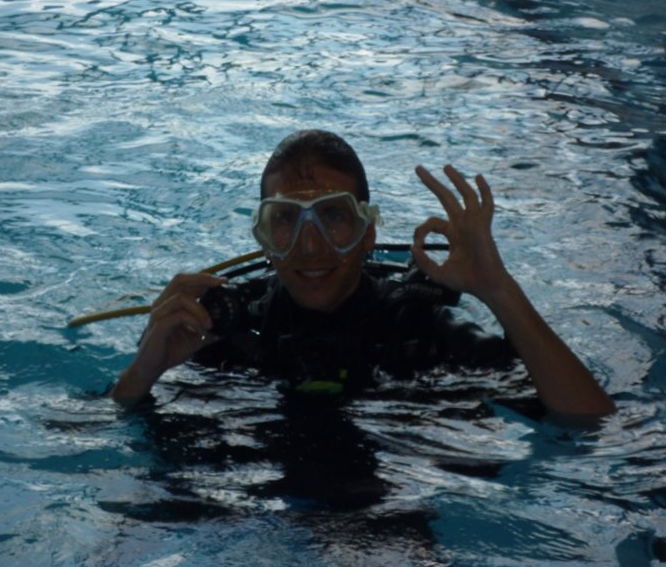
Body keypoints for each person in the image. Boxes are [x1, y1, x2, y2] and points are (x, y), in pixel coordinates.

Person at [110, 130, 615, 420]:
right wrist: (142, 373)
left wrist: (499, 289)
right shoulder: (222, 334)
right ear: (263, 237)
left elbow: (590, 422)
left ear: (368, 233)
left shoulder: (421, 333)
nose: (310, 246)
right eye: (285, 219)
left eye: (332, 216)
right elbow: (97, 435)